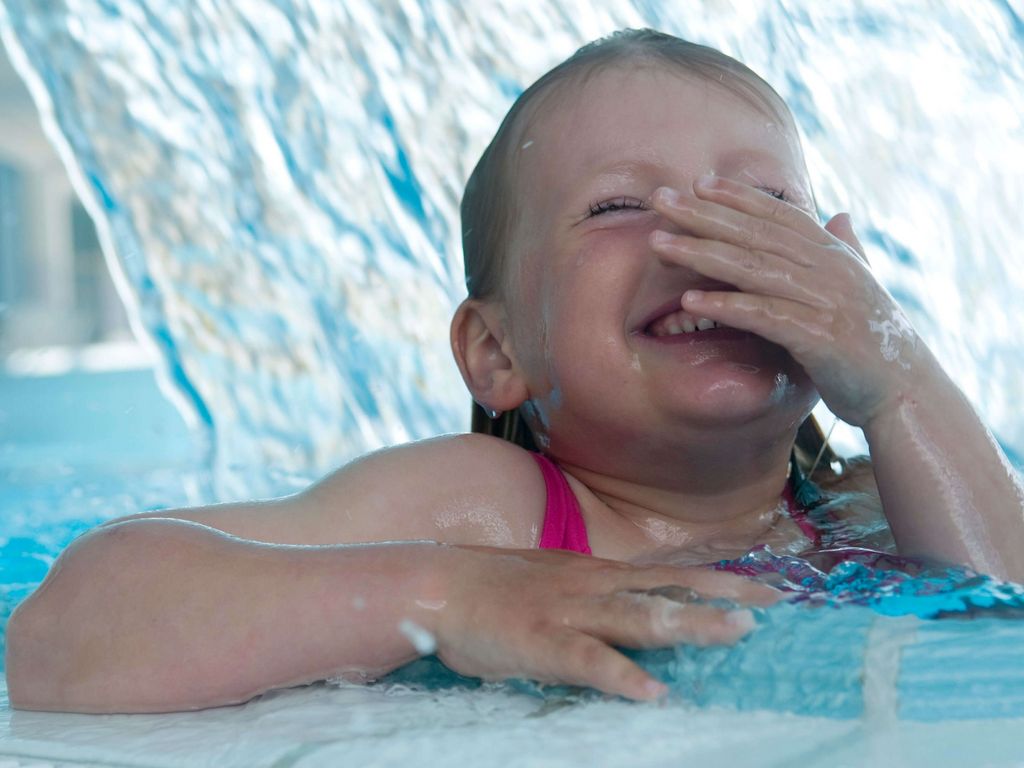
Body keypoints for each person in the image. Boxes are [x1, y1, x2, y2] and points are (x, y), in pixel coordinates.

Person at [7, 29, 1023, 714]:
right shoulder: (489, 511)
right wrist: (452, 597)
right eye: (618, 208)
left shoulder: (870, 505)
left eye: (764, 205)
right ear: (498, 352)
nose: (701, 236)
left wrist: (895, 378)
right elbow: (63, 637)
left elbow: (1004, 632)